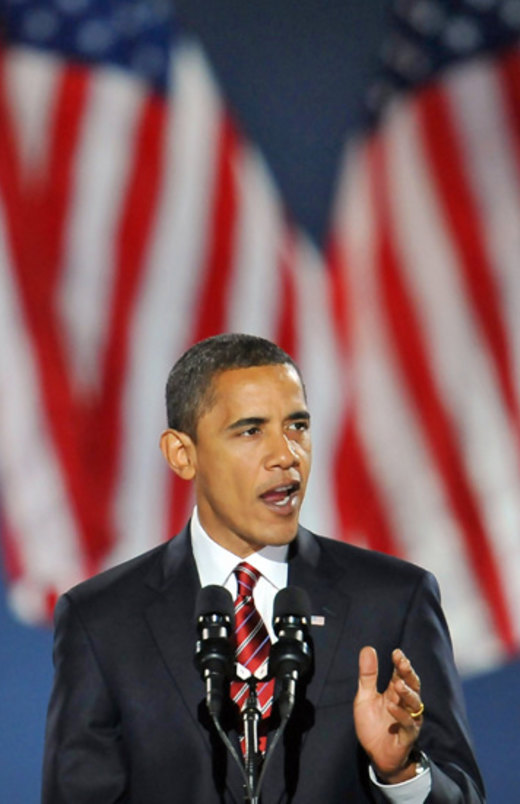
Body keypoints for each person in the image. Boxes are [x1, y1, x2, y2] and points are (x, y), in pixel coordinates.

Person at [42, 333, 485, 803]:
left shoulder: (395, 600)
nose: (286, 456)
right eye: (251, 430)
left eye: (297, 426)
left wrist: (400, 773)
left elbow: (465, 795)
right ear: (182, 454)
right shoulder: (102, 621)